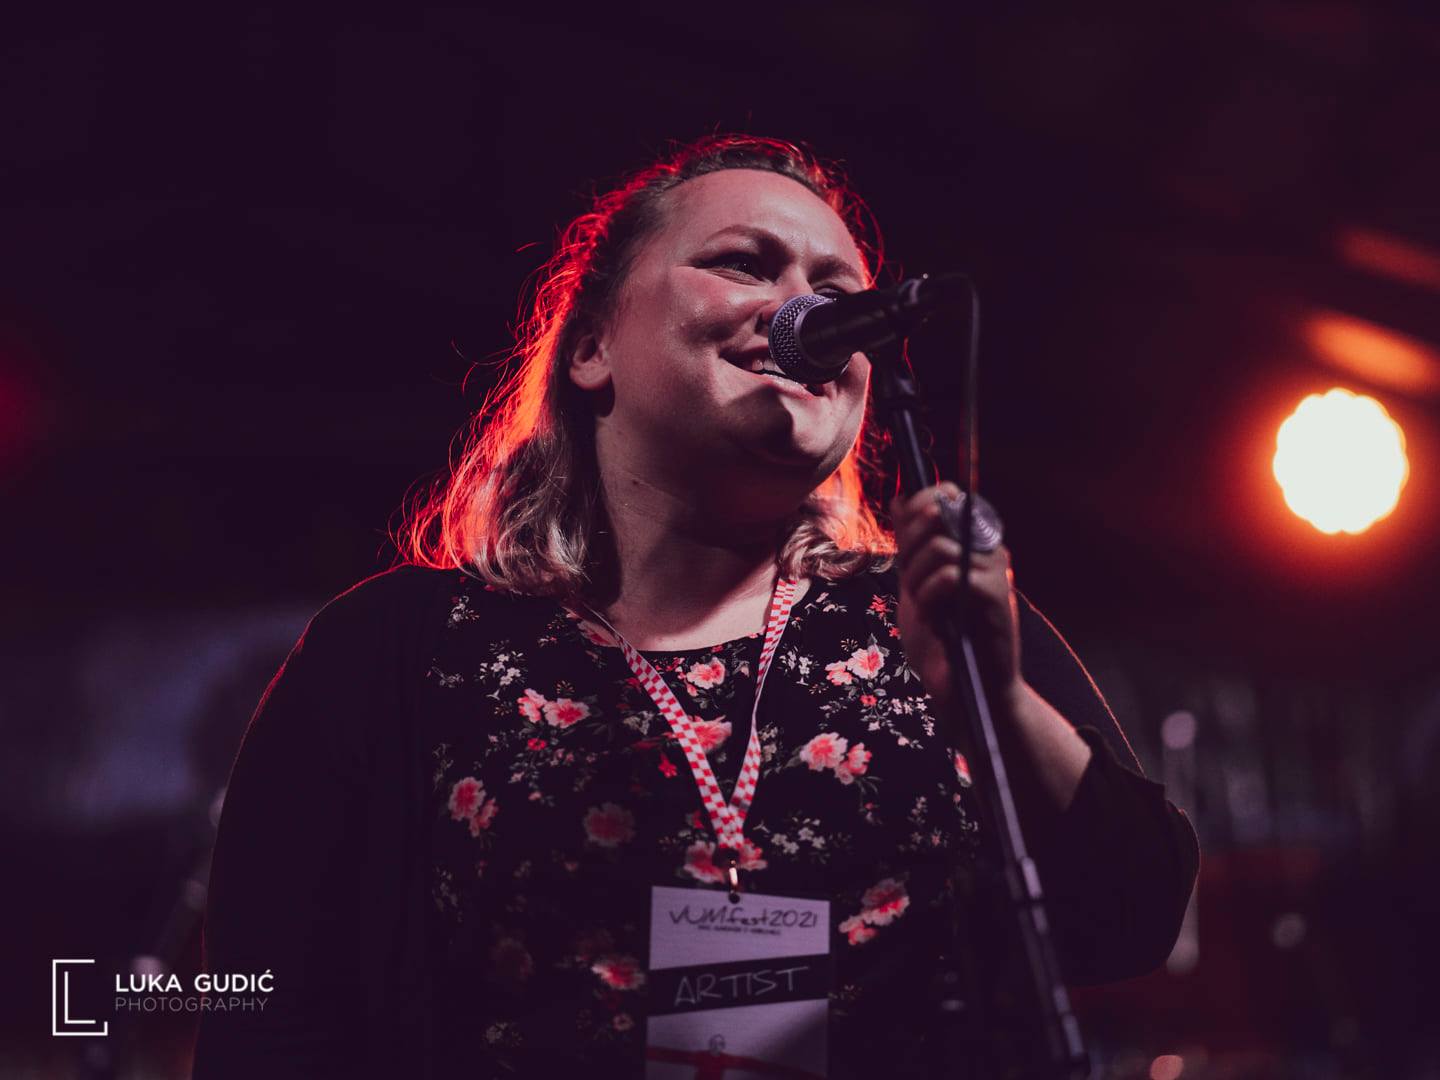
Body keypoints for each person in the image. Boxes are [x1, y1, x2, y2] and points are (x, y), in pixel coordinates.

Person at [192, 134, 1199, 1079]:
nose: (804, 312)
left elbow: (1134, 920)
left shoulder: (926, 616)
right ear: (592, 345)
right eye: (744, 264)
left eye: (837, 293)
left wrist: (995, 701)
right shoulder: (396, 650)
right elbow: (267, 1024)